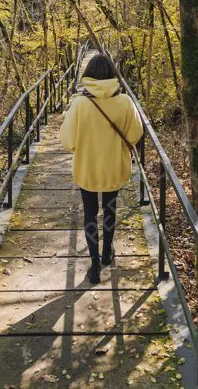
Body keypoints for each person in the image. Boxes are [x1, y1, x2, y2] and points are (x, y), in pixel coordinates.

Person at [60, 52, 143, 284]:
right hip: (113, 167)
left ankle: (94, 266)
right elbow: (136, 134)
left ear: (88, 75)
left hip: (87, 168)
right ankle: (107, 253)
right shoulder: (125, 102)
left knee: (89, 213)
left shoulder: (80, 104)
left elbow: (67, 141)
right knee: (109, 209)